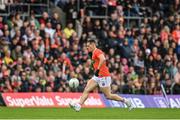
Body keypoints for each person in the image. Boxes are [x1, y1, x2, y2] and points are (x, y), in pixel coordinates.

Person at [69, 39, 133, 111]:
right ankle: (78, 105)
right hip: (97, 76)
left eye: (88, 46)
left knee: (108, 96)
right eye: (86, 46)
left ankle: (126, 101)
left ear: (93, 45)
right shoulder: (93, 53)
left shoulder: (97, 51)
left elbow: (103, 59)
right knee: (87, 89)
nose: (87, 47)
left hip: (104, 76)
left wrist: (98, 69)